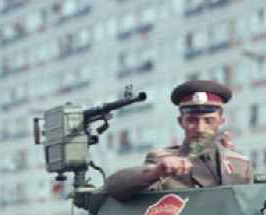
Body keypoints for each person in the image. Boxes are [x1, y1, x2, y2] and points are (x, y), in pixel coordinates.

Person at [104, 79, 253, 201]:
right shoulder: (162, 159)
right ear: (180, 122)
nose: (200, 128)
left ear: (221, 122)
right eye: (192, 120)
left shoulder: (239, 163)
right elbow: (114, 187)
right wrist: (154, 173)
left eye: (209, 121)